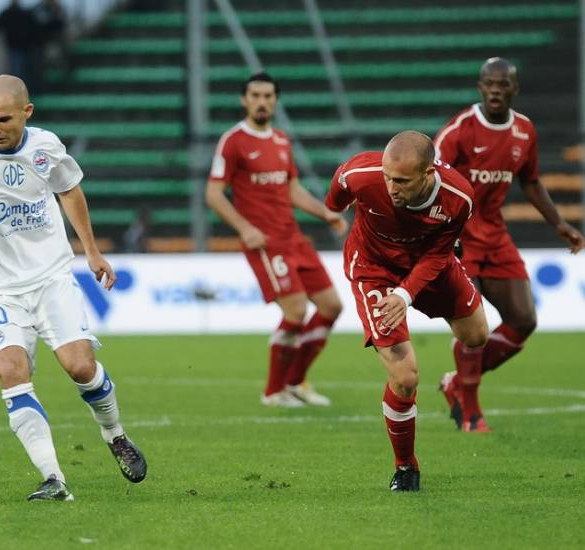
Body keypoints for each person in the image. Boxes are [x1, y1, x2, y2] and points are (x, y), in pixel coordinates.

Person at [0, 74, 147, 501]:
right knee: (11, 372)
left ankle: (115, 435)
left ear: (27, 112)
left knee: (80, 367)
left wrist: (91, 252)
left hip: (52, 277)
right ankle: (55, 479)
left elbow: (70, 190)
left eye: (3, 118)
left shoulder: (46, 146)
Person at [325, 131, 489, 491]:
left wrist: (406, 294)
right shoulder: (361, 176)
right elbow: (336, 194)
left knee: (477, 336)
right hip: (373, 270)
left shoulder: (458, 198)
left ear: (428, 173)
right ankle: (406, 467)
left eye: (400, 181)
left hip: (430, 264)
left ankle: (453, 384)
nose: (390, 187)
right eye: (386, 177)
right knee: (405, 375)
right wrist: (336, 209)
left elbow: (439, 254)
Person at [434, 57, 585, 432]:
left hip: (496, 238)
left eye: (503, 84)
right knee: (474, 329)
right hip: (460, 239)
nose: (496, 90)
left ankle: (457, 380)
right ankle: (470, 410)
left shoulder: (524, 131)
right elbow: (432, 182)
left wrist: (559, 223)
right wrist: (439, 237)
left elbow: (530, 181)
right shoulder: (458, 131)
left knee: (523, 320)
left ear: (514, 89)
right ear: (480, 87)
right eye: (490, 84)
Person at [205, 72, 347, 408]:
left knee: (331, 306)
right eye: (255, 95)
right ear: (244, 100)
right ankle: (273, 391)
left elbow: (291, 189)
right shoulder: (233, 141)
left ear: (276, 101)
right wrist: (245, 228)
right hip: (265, 243)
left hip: (293, 237)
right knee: (296, 310)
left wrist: (324, 211)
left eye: (268, 96)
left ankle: (296, 382)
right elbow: (213, 194)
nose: (262, 101)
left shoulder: (282, 141)